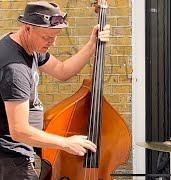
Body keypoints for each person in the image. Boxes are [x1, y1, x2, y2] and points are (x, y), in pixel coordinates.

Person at [0, 1, 110, 179]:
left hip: (20, 151)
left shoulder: (30, 46)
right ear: (27, 28)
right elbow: (19, 130)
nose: (52, 42)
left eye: (55, 36)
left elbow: (62, 71)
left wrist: (92, 45)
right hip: (9, 156)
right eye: (47, 37)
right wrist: (65, 143)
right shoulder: (15, 68)